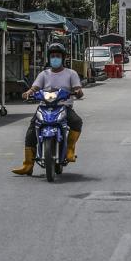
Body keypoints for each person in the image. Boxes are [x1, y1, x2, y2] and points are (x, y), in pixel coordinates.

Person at [12, 43, 84, 176]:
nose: (55, 58)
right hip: (44, 107)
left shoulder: (71, 73)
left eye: (57, 56)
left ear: (63, 58)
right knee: (31, 131)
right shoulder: (44, 74)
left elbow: (77, 88)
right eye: (52, 56)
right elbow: (35, 88)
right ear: (49, 58)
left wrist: (78, 91)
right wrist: (28, 93)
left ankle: (69, 150)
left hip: (63, 106)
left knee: (77, 121)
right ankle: (28, 165)